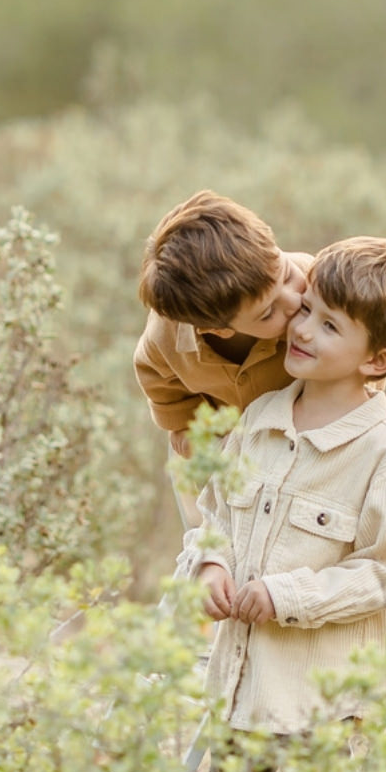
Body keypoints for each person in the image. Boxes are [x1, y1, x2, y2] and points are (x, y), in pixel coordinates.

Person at [180, 236, 386, 772]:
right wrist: (211, 566)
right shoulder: (259, 420)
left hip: (316, 694)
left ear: (378, 360)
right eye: (306, 309)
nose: (299, 330)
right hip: (242, 683)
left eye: (330, 326)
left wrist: (287, 596)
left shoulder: (379, 454)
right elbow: (215, 512)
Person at [132, 190, 312, 524]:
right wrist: (184, 424)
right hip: (222, 443)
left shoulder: (321, 288)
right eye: (267, 312)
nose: (293, 301)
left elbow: (360, 352)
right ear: (218, 330)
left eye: (286, 275)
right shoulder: (166, 337)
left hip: (303, 439)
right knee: (210, 528)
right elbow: (154, 374)